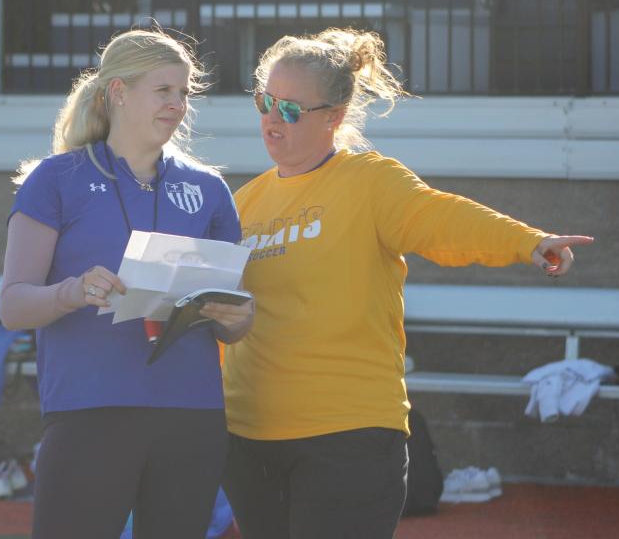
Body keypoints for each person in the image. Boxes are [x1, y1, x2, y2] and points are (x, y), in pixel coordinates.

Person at [221, 28, 594, 539]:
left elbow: (441, 218)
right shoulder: (242, 203)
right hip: (250, 435)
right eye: (264, 101)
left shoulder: (370, 181)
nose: (270, 118)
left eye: (289, 109)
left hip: (347, 431)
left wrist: (526, 241)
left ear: (333, 116)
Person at [0, 28, 254, 539]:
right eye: (163, 91)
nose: (178, 104)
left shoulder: (209, 189)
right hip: (91, 410)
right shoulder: (55, 179)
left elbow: (236, 321)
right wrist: (72, 291)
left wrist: (236, 317)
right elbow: (12, 306)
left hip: (192, 414)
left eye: (184, 93)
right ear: (118, 91)